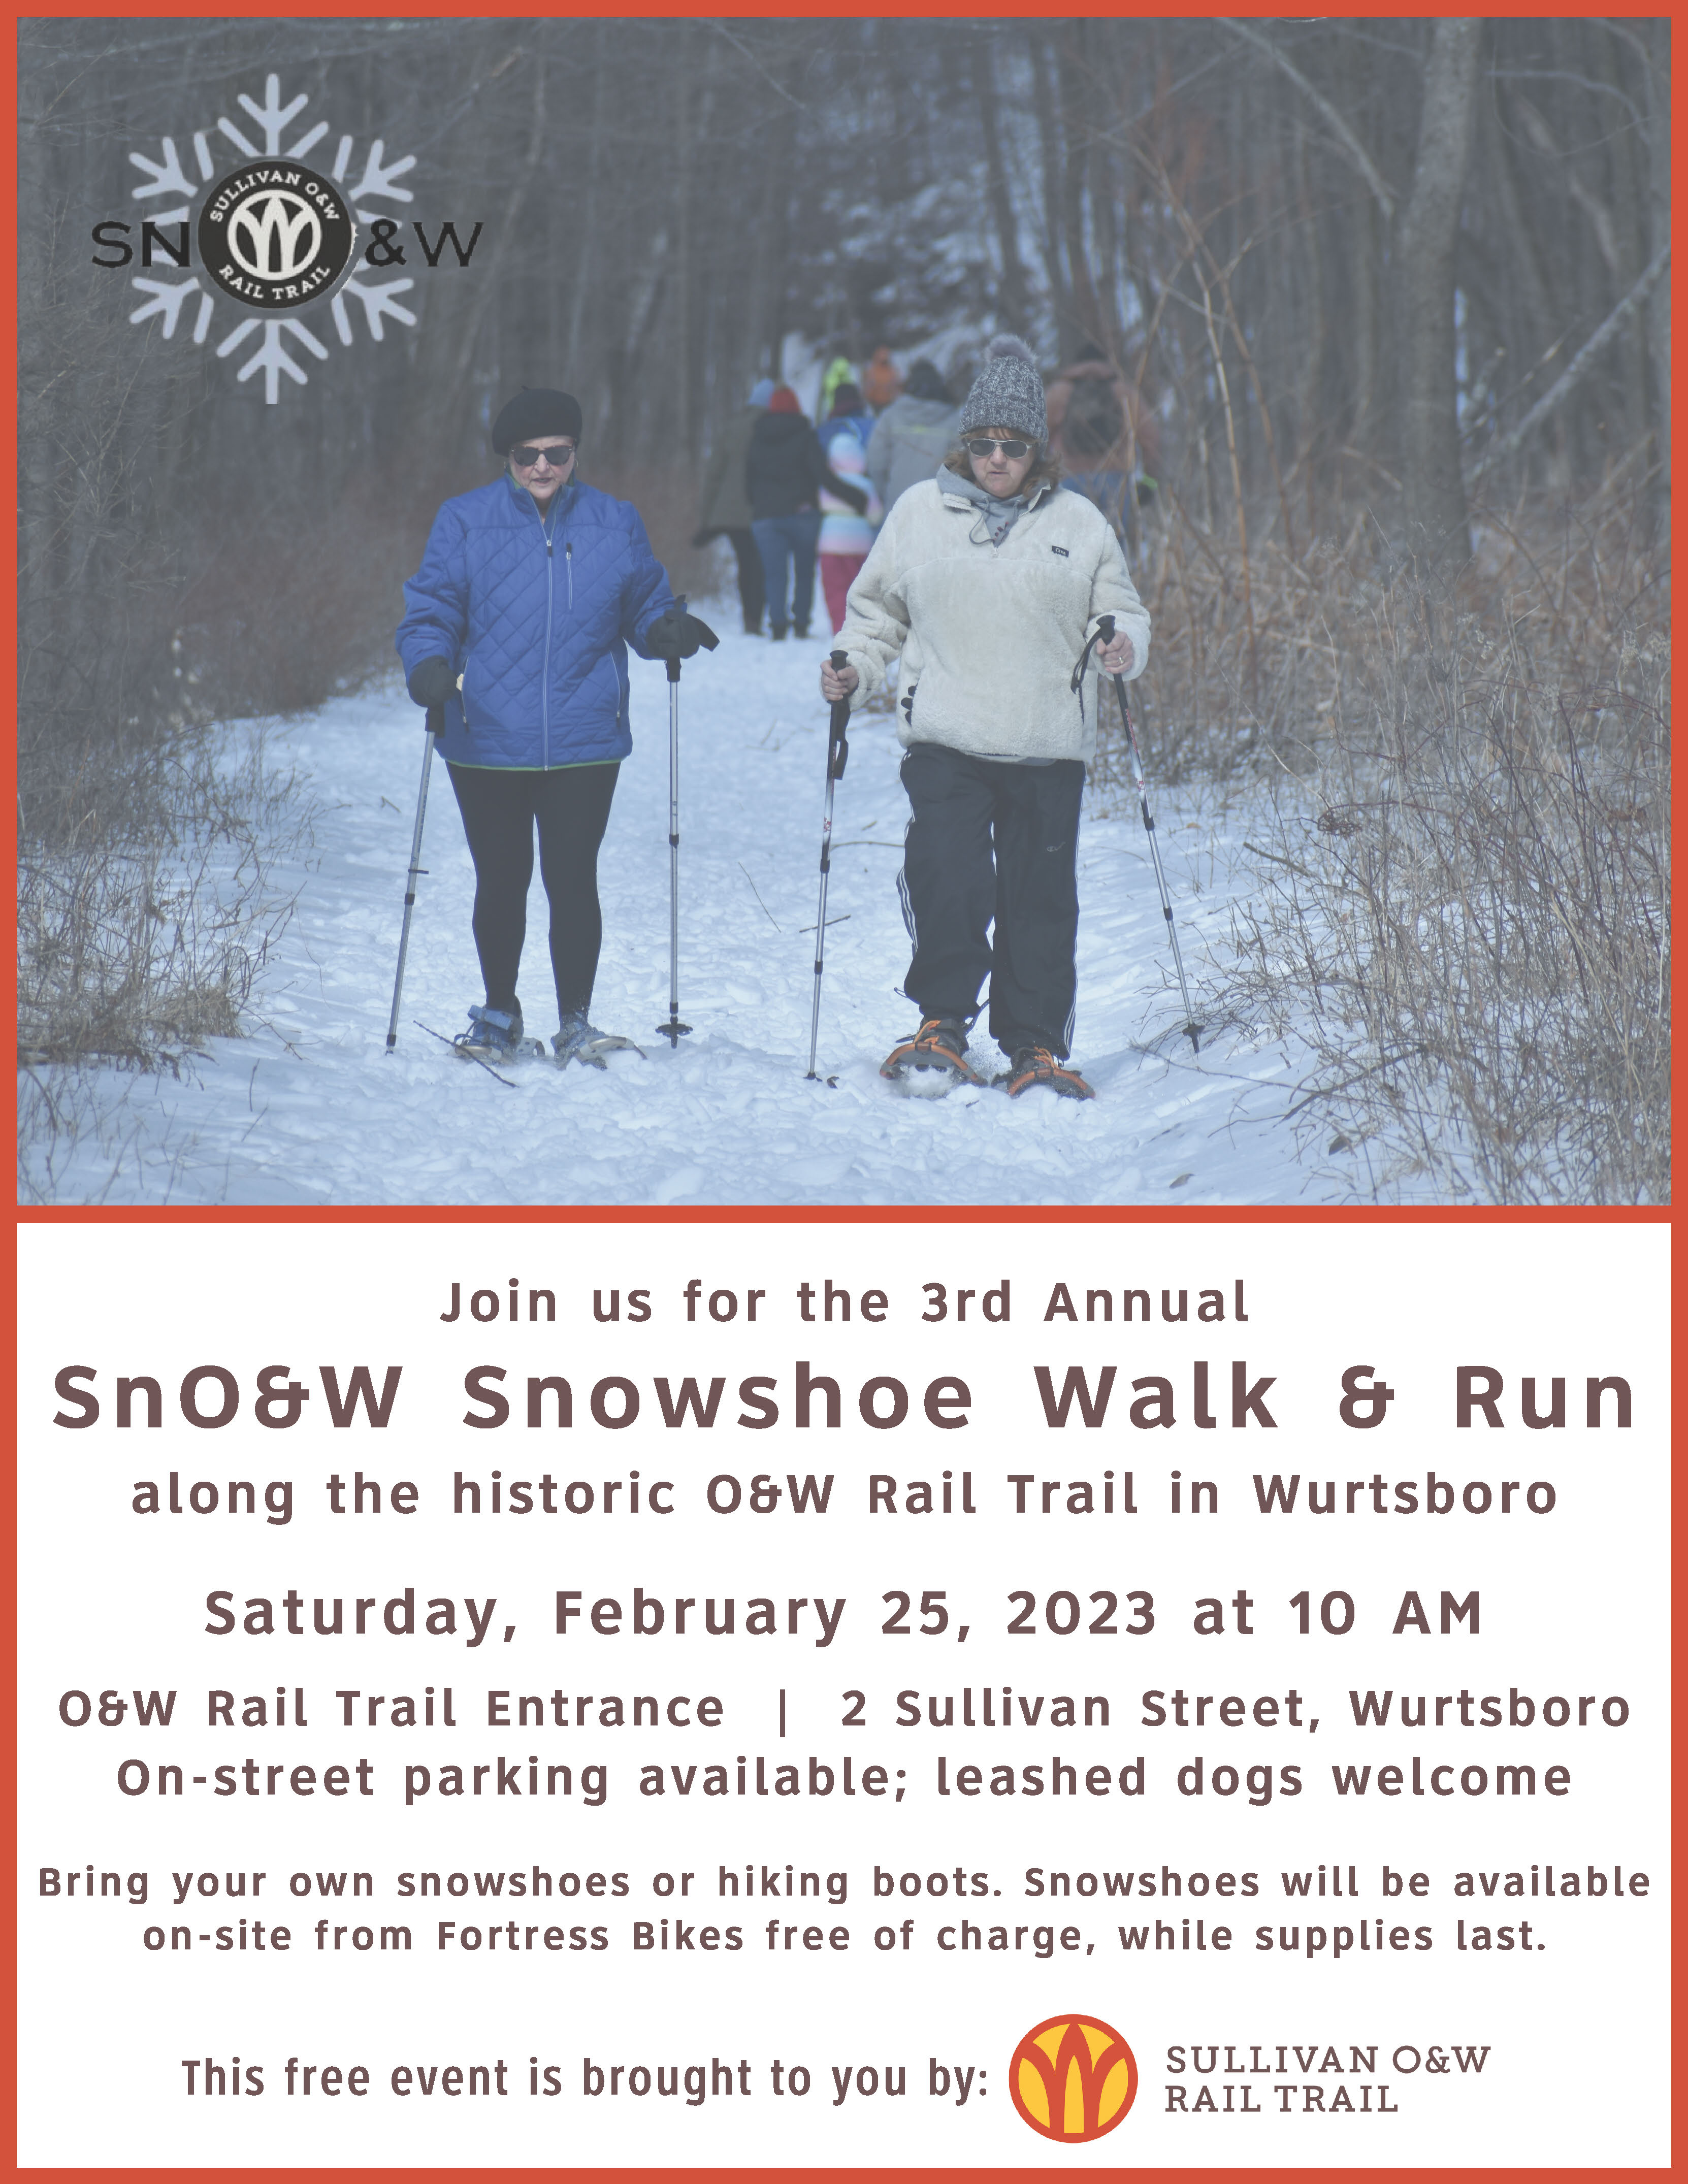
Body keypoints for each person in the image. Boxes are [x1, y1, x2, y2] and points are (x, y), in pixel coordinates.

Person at [821, 336, 1150, 1101]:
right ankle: (942, 1022)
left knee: (1039, 897)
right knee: (950, 875)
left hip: (1047, 742)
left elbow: (1122, 611)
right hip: (947, 737)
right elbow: (873, 617)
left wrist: (1124, 645)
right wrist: (852, 667)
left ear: (1037, 449)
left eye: (1012, 445)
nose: (996, 458)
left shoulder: (1081, 521)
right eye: (982, 444)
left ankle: (1034, 1045)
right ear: (963, 444)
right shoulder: (918, 516)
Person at [396, 386, 715, 1066]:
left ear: (575, 454)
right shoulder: (464, 521)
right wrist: (427, 664)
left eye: (557, 454)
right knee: (502, 878)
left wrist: (666, 630)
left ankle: (576, 1020)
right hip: (483, 736)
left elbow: (642, 607)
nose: (542, 467)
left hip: (584, 738)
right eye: (526, 455)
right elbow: (432, 610)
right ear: (507, 458)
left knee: (573, 878)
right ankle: (498, 1015)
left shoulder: (615, 521)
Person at [745, 386, 865, 641]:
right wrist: (856, 497)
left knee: (774, 573)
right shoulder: (806, 436)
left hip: (766, 517)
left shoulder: (757, 437)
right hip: (803, 515)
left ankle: (778, 625)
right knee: (804, 571)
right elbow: (822, 476)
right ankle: (801, 623)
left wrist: (758, 506)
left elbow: (748, 481)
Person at [1045, 343, 1161, 535]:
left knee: (1073, 545)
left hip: (1071, 479)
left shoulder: (1059, 392)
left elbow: (1035, 439)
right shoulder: (1124, 391)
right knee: (1114, 545)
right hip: (1115, 480)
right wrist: (1149, 482)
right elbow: (1151, 439)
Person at [694, 377, 773, 635]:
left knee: (745, 565)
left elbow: (714, 474)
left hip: (730, 512)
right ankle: (759, 618)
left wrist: (706, 518)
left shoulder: (733, 427)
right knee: (760, 565)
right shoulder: (772, 428)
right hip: (763, 508)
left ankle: (749, 619)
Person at [816, 384, 881, 634]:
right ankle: (857, 628)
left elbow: (821, 506)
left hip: (831, 543)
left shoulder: (828, 486)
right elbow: (875, 514)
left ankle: (838, 629)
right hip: (860, 542)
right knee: (859, 587)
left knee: (834, 590)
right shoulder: (866, 485)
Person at [866, 360, 961, 514]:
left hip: (897, 504)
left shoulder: (891, 416)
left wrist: (886, 493)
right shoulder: (954, 420)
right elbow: (961, 468)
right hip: (938, 507)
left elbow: (876, 461)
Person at [860, 345, 903, 413]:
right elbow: (868, 386)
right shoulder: (872, 371)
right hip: (877, 403)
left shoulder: (892, 370)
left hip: (890, 402)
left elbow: (898, 384)